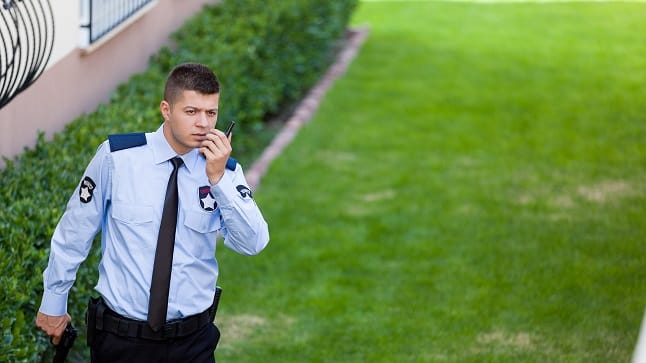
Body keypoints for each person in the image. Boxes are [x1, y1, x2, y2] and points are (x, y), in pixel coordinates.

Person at [35, 62, 270, 363]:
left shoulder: (223, 171)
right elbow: (74, 232)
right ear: (166, 109)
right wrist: (54, 300)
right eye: (191, 111)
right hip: (121, 340)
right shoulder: (118, 158)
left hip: (192, 343)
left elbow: (253, 243)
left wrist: (218, 179)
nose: (204, 123)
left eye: (211, 113)